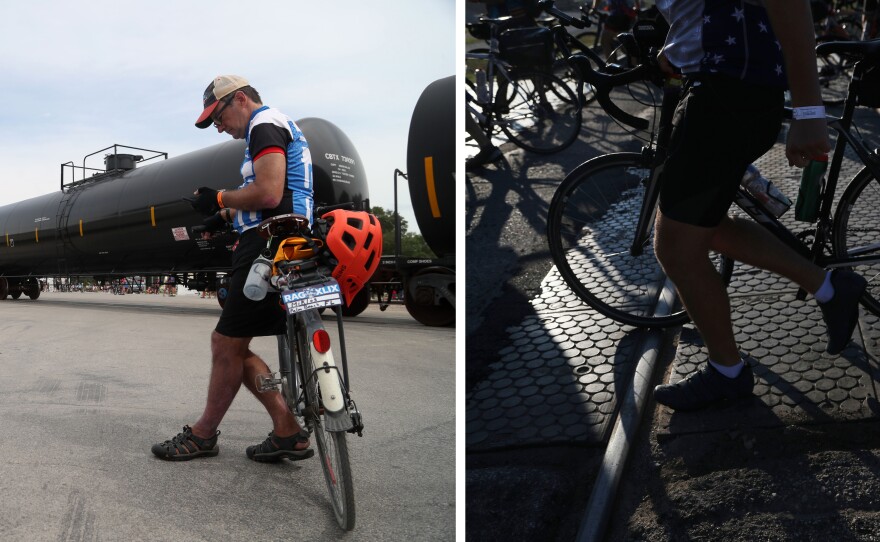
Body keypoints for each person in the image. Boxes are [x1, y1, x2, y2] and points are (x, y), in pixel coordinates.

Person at [650, 0, 867, 411]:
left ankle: (727, 373)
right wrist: (674, 47)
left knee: (676, 248)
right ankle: (828, 287)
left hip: (727, 94)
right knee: (702, 226)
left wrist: (809, 110)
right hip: (721, 87)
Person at [152, 75, 315, 461]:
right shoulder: (276, 126)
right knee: (235, 344)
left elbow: (271, 191)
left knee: (226, 343)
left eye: (219, 117)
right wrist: (222, 214)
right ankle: (287, 430)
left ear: (239, 99)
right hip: (288, 240)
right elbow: (275, 194)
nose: (219, 127)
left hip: (268, 245)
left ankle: (203, 434)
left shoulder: (264, 124)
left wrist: (220, 195)